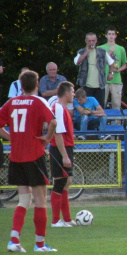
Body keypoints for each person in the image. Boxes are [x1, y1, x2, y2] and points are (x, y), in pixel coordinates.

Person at [1, 70, 58, 252]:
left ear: (20, 84)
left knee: (23, 200)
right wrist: (47, 138)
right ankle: (40, 244)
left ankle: (14, 240)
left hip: (16, 157)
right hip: (34, 155)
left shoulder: (12, 102)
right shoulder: (38, 101)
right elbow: (53, 122)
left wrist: (11, 138)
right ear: (37, 84)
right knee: (40, 200)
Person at [50, 81, 77, 228]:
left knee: (67, 182)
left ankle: (66, 219)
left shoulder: (62, 108)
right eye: (72, 92)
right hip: (60, 149)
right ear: (66, 93)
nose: (74, 94)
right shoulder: (59, 108)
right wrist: (65, 156)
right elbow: (58, 134)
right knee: (60, 182)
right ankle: (55, 221)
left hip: (65, 148)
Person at [74, 32, 115, 108]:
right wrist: (87, 52)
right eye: (89, 41)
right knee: (86, 107)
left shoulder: (102, 52)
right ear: (86, 41)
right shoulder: (81, 52)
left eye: (93, 40)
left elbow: (111, 62)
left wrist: (111, 73)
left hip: (100, 85)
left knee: (100, 107)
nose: (91, 43)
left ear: (96, 40)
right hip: (86, 85)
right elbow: (77, 62)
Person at [100, 26, 127, 115]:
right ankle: (100, 124)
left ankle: (117, 125)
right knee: (101, 103)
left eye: (113, 34)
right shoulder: (100, 48)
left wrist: (119, 69)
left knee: (116, 104)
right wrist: (109, 53)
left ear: (115, 36)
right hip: (103, 80)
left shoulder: (121, 49)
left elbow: (125, 64)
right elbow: (99, 63)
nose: (111, 36)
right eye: (109, 34)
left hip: (116, 80)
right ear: (106, 36)